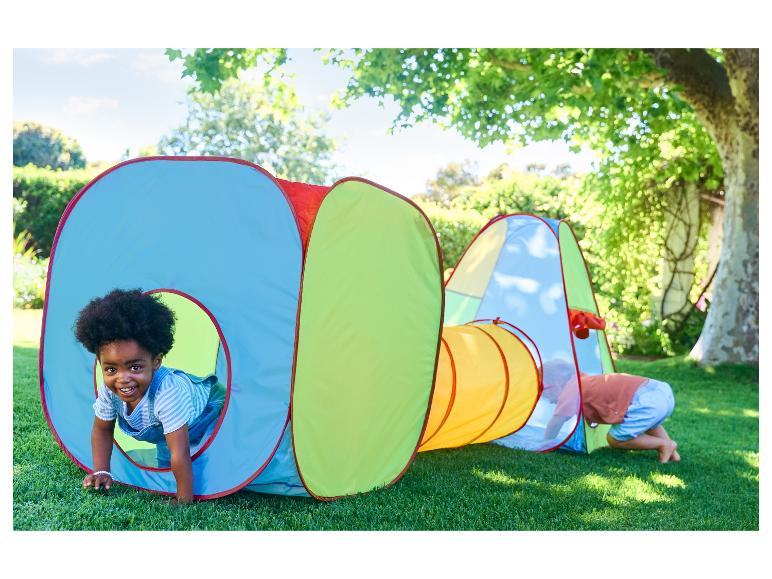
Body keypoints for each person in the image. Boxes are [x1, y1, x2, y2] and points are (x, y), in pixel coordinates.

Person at [74, 289, 224, 503]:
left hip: (209, 411)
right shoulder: (110, 390)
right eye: (111, 369)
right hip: (169, 431)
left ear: (156, 361)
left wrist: (183, 500)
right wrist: (102, 471)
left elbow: (180, 452)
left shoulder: (167, 393)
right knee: (166, 463)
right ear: (100, 364)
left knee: (211, 463)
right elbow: (102, 429)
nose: (122, 378)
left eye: (134, 367)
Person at [541, 360, 679, 463]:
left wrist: (544, 443)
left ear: (554, 385)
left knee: (615, 438)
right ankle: (673, 453)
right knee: (650, 424)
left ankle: (664, 445)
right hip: (661, 391)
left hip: (645, 400)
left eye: (545, 394)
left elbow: (556, 421)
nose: (548, 401)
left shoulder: (571, 389)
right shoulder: (584, 381)